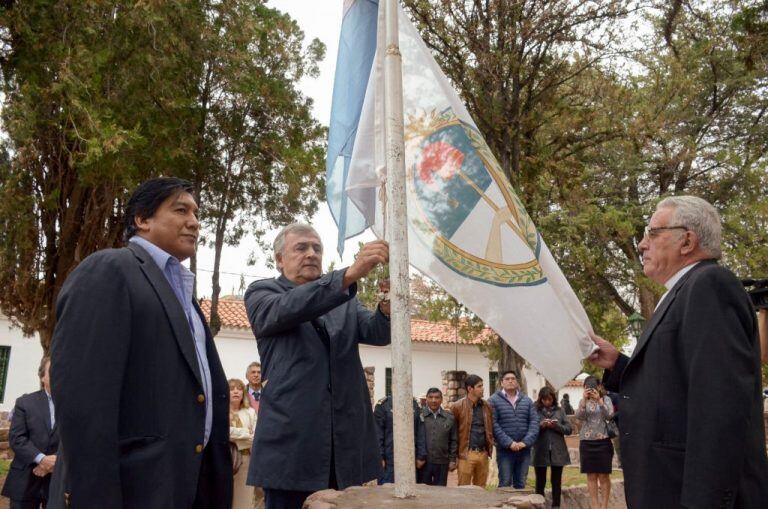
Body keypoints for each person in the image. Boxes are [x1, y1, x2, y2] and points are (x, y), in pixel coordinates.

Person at [49, 177, 232, 509]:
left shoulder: (184, 297)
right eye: (180, 210)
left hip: (186, 486)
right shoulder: (111, 270)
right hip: (135, 488)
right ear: (142, 219)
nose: (194, 221)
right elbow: (82, 401)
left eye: (196, 212)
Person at [589, 196, 768, 508]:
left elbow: (719, 407)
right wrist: (618, 364)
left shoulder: (710, 285)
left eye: (653, 233)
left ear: (687, 241)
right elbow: (673, 385)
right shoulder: (685, 291)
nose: (643, 244)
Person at [244, 223, 391, 509]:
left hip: (344, 449)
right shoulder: (262, 293)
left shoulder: (344, 299)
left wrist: (387, 305)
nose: (311, 254)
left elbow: (378, 333)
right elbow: (290, 307)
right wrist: (347, 275)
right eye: (301, 248)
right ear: (279, 259)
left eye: (317, 248)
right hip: (291, 449)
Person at [2, 356, 59, 509]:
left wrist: (56, 461)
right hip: (25, 479)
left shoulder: (75, 406)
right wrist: (42, 460)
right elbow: (17, 438)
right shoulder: (25, 403)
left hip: (58, 482)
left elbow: (78, 440)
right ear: (42, 377)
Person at [488, 370, 539, 489]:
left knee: (521, 483)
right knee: (505, 483)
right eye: (507, 379)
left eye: (513, 378)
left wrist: (524, 442)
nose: (510, 381)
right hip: (505, 450)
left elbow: (534, 422)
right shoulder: (493, 400)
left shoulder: (527, 400)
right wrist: (509, 443)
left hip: (524, 450)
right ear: (501, 383)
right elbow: (493, 424)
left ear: (517, 382)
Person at [576, 376, 614, 509]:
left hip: (603, 441)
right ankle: (595, 506)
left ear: (599, 386)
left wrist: (600, 401)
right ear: (584, 388)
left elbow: (609, 415)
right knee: (591, 475)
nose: (590, 390)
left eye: (593, 386)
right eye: (587, 387)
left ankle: (604, 506)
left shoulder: (606, 399)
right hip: (587, 442)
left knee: (604, 475)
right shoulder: (583, 401)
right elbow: (579, 417)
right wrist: (583, 401)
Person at [450, 374, 494, 487]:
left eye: (482, 386)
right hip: (466, 454)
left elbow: (490, 428)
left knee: (481, 489)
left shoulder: (487, 406)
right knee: (464, 490)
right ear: (470, 389)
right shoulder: (457, 406)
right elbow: (453, 434)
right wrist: (453, 457)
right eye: (479, 386)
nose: (482, 388)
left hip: (483, 454)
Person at [532, 386, 571, 508]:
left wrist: (556, 426)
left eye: (549, 399)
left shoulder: (560, 411)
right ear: (540, 399)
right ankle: (539, 506)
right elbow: (531, 430)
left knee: (556, 482)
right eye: (544, 400)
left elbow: (569, 429)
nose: (547, 402)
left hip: (557, 451)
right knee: (540, 482)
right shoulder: (535, 410)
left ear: (553, 399)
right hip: (540, 450)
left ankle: (556, 506)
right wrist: (541, 425)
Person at [373, 396, 426, 484]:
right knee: (387, 489)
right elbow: (378, 433)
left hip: (410, 457)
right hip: (389, 458)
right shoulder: (383, 405)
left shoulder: (414, 404)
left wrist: (421, 455)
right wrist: (379, 456)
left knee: (409, 488)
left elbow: (420, 431)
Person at [418, 388, 457, 486]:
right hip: (423, 463)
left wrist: (452, 460)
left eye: (437, 397)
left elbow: (453, 440)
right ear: (426, 399)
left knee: (440, 492)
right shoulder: (419, 416)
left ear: (442, 399)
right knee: (423, 492)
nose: (433, 400)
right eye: (430, 397)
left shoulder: (449, 417)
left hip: (442, 462)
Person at [228, 379, 257, 509]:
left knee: (243, 503)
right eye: (232, 388)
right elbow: (224, 432)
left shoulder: (250, 412)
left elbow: (256, 437)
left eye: (239, 389)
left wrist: (234, 436)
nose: (235, 391)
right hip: (224, 460)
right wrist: (246, 432)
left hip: (246, 461)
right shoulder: (219, 412)